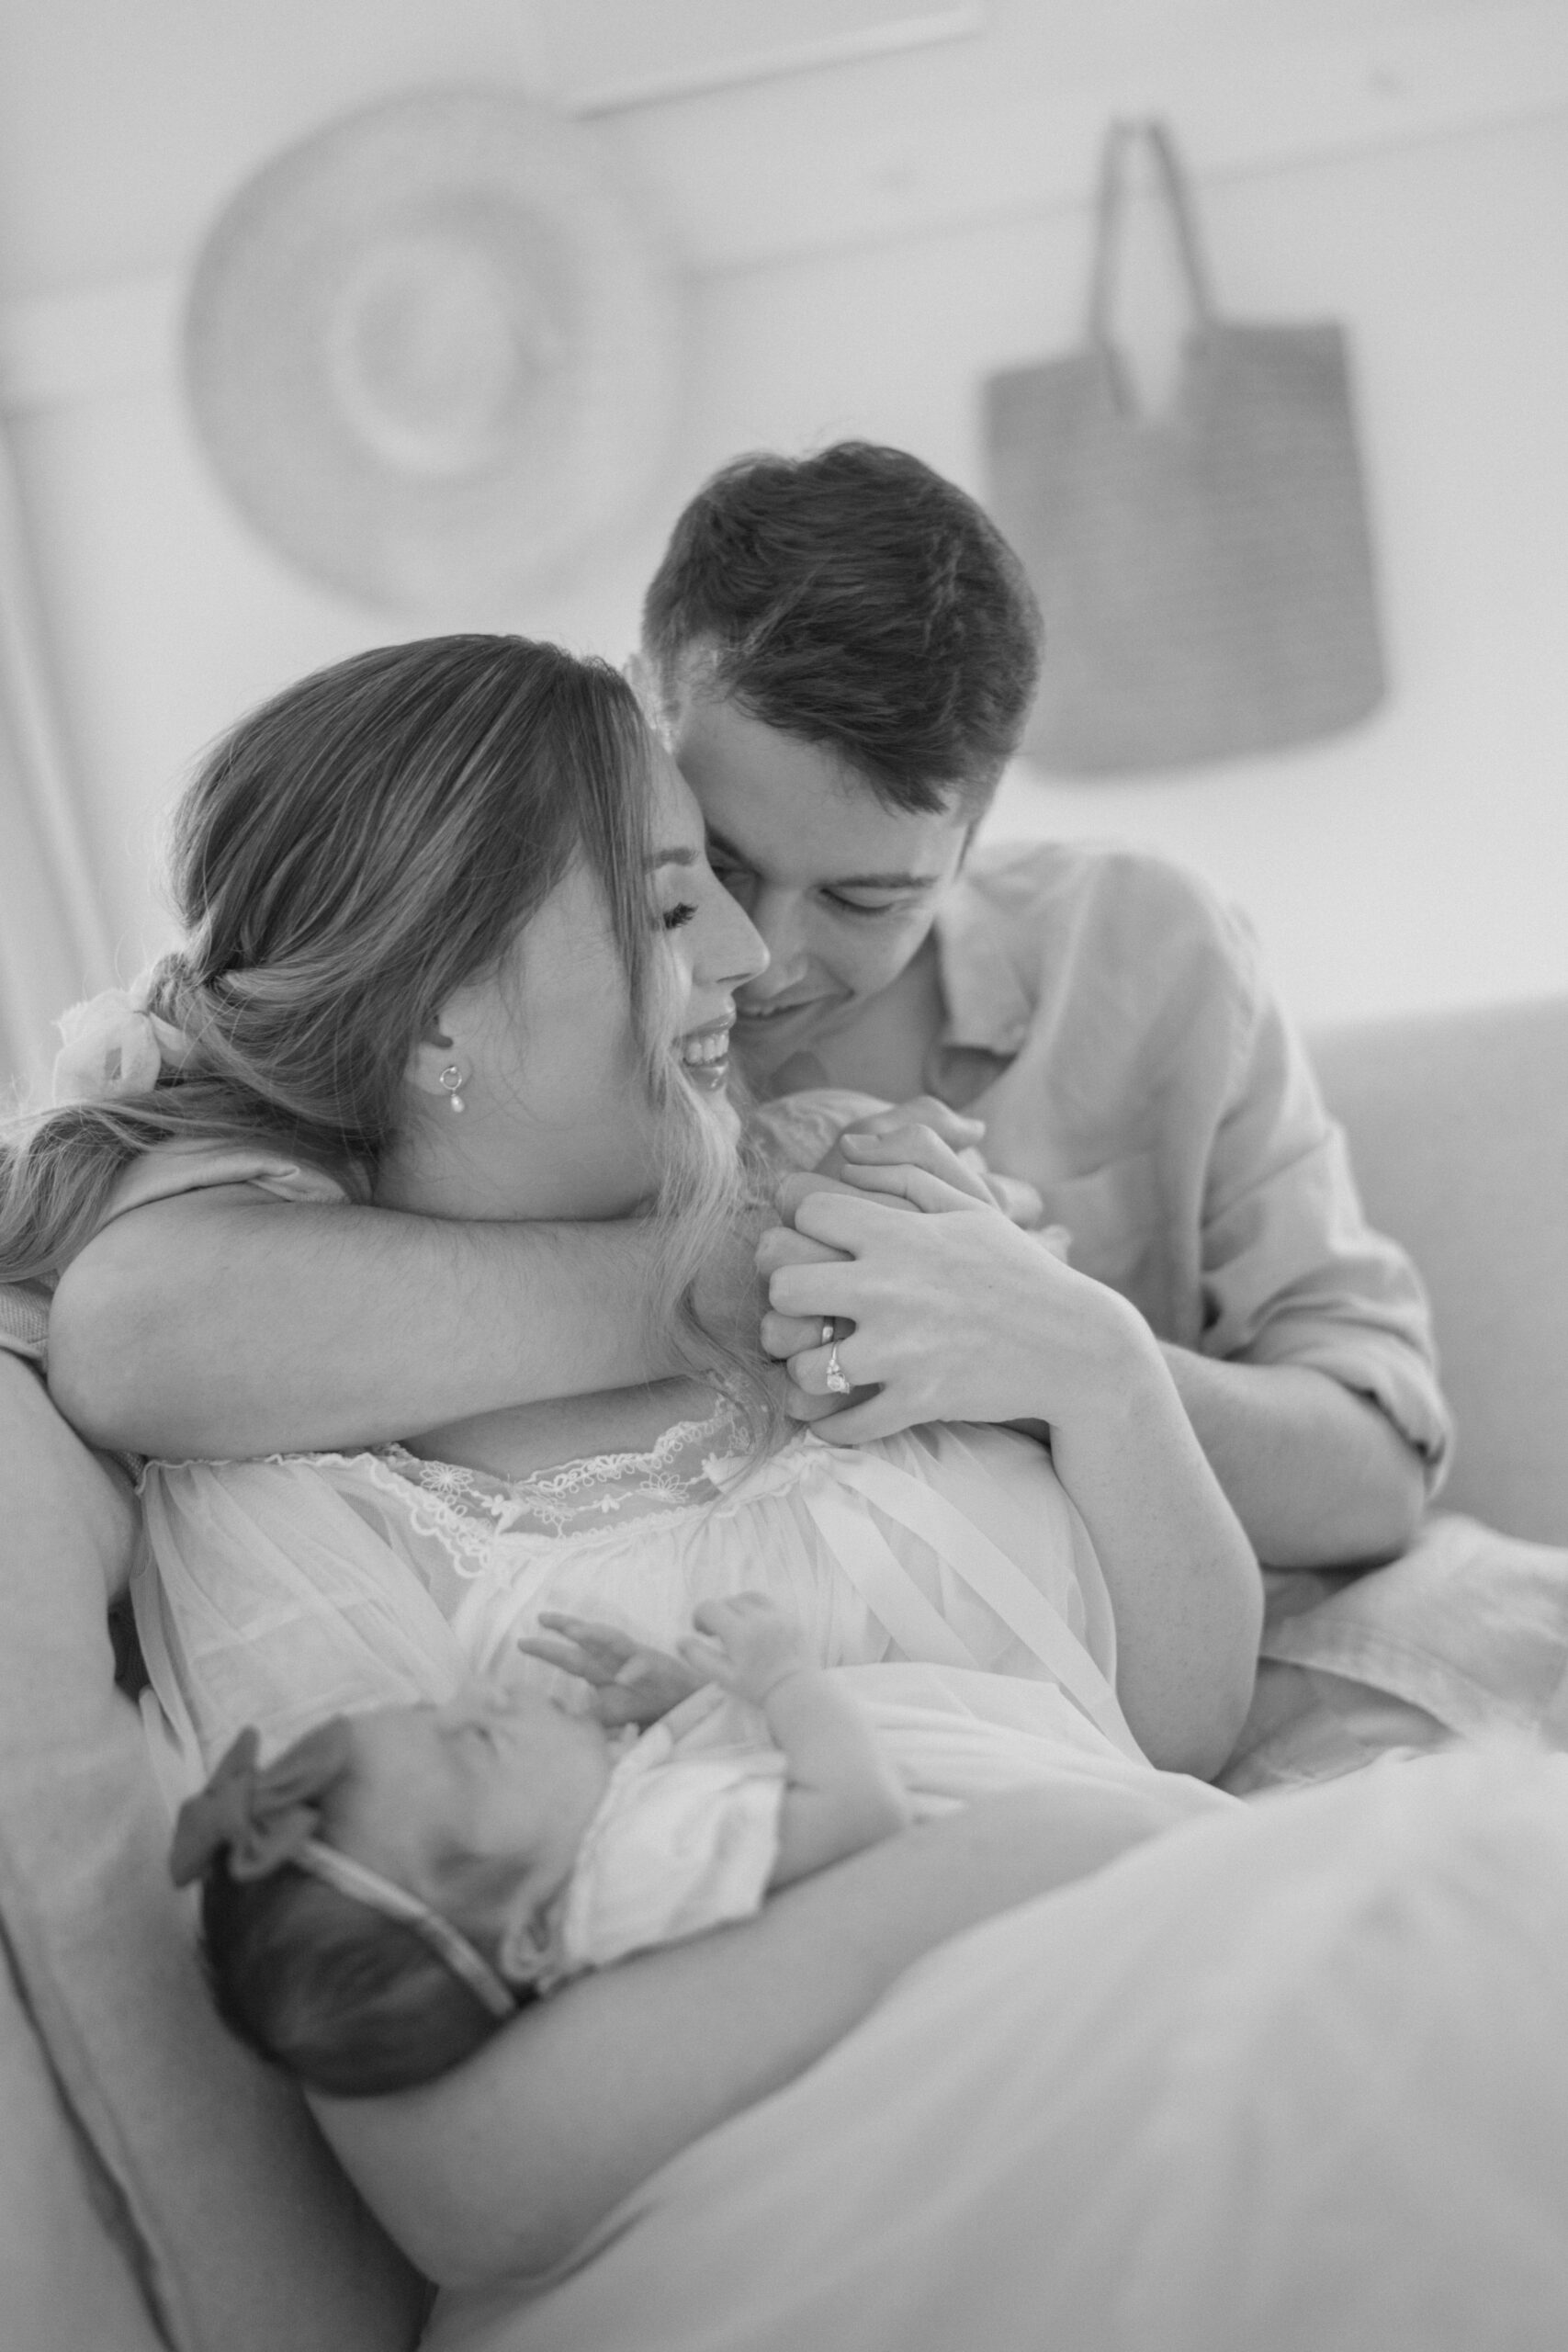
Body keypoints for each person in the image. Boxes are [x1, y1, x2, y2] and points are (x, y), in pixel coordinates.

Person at [42, 446, 1448, 1574]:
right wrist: (755, 1276)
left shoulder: (1147, 949)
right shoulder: (499, 1006)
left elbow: (1371, 1468)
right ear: (652, 726)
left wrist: (1047, 1347)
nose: (760, 957)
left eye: (862, 901)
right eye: (712, 867)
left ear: (970, 843)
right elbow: (140, 1327)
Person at [170, 1594, 1234, 2100]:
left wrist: (676, 1707)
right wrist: (779, 1680)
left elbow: (728, 1803)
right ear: (534, 1935)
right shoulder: (632, 1878)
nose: (487, 1692)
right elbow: (846, 1815)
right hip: (1006, 1850)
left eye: (441, 1705)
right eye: (480, 1737)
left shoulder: (611, 1869)